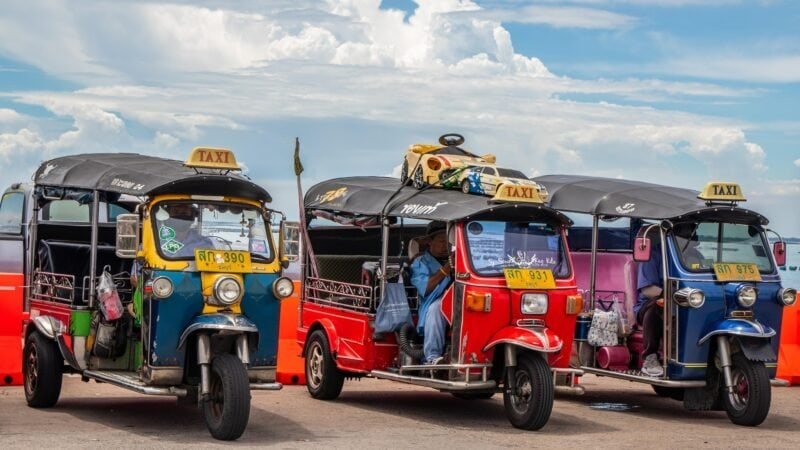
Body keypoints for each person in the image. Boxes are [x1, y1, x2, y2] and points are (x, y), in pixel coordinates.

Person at [410, 221, 453, 365]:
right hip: (433, 302)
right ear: (429, 242)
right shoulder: (420, 262)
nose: (445, 246)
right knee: (438, 308)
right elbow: (425, 288)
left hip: (460, 298)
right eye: (441, 241)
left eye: (449, 242)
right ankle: (432, 358)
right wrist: (446, 269)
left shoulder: (461, 258)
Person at [635, 232, 664, 377]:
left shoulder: (694, 255)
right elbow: (648, 290)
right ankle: (650, 357)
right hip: (648, 305)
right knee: (659, 304)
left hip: (685, 301)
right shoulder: (652, 255)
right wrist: (672, 296)